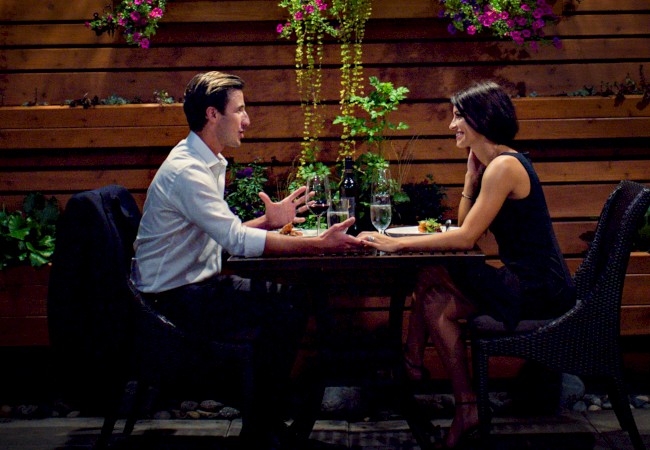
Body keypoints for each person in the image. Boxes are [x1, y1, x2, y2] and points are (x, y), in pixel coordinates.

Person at [131, 71, 362, 448]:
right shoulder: (188, 170)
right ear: (212, 115)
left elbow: (222, 233)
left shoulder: (203, 160)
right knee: (287, 307)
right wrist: (319, 244)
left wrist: (268, 223)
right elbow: (235, 240)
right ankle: (264, 426)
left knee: (295, 300)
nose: (247, 119)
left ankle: (264, 420)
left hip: (194, 286)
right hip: (174, 299)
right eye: (239, 110)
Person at [359, 81, 575, 448]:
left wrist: (397, 246)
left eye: (458, 116)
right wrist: (469, 179)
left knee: (428, 274)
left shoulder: (505, 166)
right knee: (434, 303)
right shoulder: (496, 165)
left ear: (481, 119)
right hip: (524, 281)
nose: (451, 125)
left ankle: (413, 364)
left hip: (538, 288)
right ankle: (465, 404)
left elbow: (464, 239)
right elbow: (465, 227)